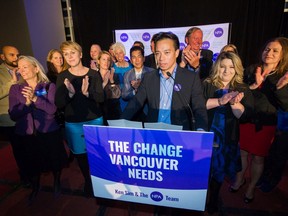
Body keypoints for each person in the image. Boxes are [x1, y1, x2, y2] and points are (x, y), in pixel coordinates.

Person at [231, 37, 288, 201]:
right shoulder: (251, 69)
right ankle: (240, 180)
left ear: (282, 56)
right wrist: (253, 86)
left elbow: (285, 106)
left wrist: (279, 88)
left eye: (275, 51)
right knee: (241, 153)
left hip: (265, 125)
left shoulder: (283, 77)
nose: (269, 53)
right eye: (267, 49)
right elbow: (239, 89)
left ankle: (250, 188)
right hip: (246, 119)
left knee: (258, 158)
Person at [9, 55, 67, 202]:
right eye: (19, 68)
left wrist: (35, 99)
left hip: (48, 132)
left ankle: (56, 181)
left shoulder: (48, 86)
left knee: (54, 161)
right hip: (27, 134)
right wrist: (27, 105)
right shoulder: (15, 89)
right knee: (32, 163)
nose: (21, 70)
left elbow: (52, 110)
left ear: (35, 68)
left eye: (25, 67)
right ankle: (35, 187)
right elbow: (14, 114)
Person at [122, 32, 208, 131]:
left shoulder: (190, 78)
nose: (161, 58)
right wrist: (119, 124)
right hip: (153, 133)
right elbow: (135, 103)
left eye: (166, 52)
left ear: (176, 53)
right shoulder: (149, 78)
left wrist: (201, 131)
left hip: (179, 135)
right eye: (158, 53)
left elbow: (199, 107)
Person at [202, 52, 254, 214]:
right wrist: (220, 101)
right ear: (217, 67)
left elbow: (244, 117)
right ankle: (199, 198)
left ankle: (213, 200)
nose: (226, 71)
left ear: (237, 68)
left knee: (218, 171)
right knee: (202, 170)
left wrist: (233, 104)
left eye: (231, 67)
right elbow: (197, 106)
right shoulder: (207, 84)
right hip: (206, 133)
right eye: (223, 66)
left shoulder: (242, 88)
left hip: (227, 137)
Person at [55, 41, 104, 197]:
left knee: (97, 154)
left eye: (73, 52)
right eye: (66, 54)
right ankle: (88, 182)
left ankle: (100, 180)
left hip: (94, 120)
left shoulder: (93, 74)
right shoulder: (63, 76)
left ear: (81, 54)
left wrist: (87, 93)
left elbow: (101, 98)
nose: (70, 56)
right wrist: (69, 94)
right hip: (74, 123)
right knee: (81, 156)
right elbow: (59, 103)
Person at [0, 46, 28, 184]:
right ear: (2, 57)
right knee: (18, 148)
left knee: (29, 145)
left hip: (25, 114)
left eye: (17, 55)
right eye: (11, 55)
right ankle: (25, 174)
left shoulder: (21, 68)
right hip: (8, 117)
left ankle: (34, 170)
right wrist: (12, 82)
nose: (16, 58)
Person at [122, 46, 154, 121]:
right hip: (133, 112)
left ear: (143, 58)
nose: (137, 60)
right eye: (134, 57)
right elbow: (124, 95)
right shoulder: (127, 74)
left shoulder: (152, 72)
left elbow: (155, 94)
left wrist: (142, 87)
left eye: (139, 57)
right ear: (131, 60)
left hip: (148, 111)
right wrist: (135, 91)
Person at [98, 51, 121, 124]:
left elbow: (117, 95)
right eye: (103, 59)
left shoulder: (114, 75)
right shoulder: (94, 76)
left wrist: (112, 81)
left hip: (113, 112)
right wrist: (104, 83)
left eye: (108, 60)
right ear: (98, 61)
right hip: (99, 112)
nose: (106, 62)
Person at [112, 42, 133, 110]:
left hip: (130, 97)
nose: (119, 55)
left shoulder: (131, 66)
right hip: (118, 97)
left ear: (124, 53)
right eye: (116, 53)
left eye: (120, 52)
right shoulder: (113, 67)